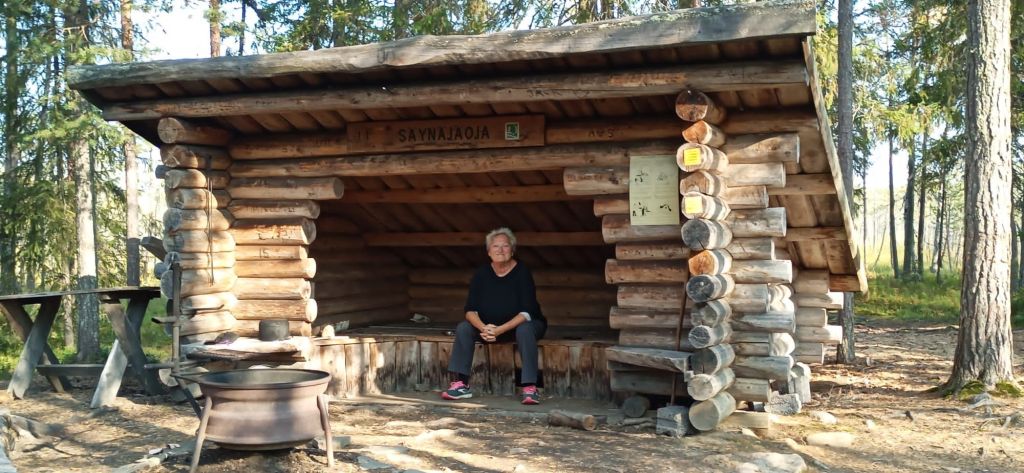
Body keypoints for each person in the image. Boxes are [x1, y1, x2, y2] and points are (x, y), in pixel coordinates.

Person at [441, 227, 547, 405]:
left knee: (525, 330)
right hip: (489, 328)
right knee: (464, 328)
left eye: (505, 246)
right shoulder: (481, 274)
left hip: (520, 326)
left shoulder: (522, 272)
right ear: (489, 251)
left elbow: (527, 312)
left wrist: (500, 330)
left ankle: (530, 387)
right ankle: (461, 384)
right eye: (495, 246)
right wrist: (484, 328)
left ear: (512, 250)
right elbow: (470, 310)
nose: (500, 250)